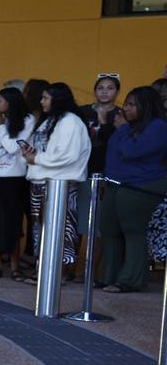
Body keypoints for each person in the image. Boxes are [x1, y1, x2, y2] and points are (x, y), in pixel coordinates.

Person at [100, 86, 167, 292]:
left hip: (141, 184)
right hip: (115, 184)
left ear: (145, 106)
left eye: (131, 105)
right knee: (109, 230)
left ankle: (130, 280)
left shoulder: (158, 127)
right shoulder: (128, 127)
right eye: (126, 104)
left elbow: (131, 152)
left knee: (133, 231)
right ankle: (109, 276)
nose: (125, 109)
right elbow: (113, 152)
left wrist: (121, 129)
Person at [21, 82, 91, 281]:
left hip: (61, 185)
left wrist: (37, 159)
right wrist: (30, 153)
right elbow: (45, 150)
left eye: (45, 98)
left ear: (57, 99)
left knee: (62, 230)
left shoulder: (71, 122)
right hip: (40, 183)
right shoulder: (49, 120)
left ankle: (59, 272)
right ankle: (43, 268)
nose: (41, 101)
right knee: (40, 230)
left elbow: (67, 156)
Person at [0, 87, 33, 280]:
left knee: (11, 223)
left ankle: (15, 266)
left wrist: (1, 126)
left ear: (11, 102)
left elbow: (12, 148)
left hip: (12, 178)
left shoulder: (27, 121)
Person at [75, 74, 122, 280]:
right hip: (80, 171)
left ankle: (90, 270)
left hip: (104, 174)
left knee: (98, 227)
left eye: (110, 88)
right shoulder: (82, 112)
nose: (104, 91)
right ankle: (70, 267)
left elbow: (118, 145)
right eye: (101, 87)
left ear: (117, 92)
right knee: (77, 223)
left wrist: (107, 124)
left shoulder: (121, 115)